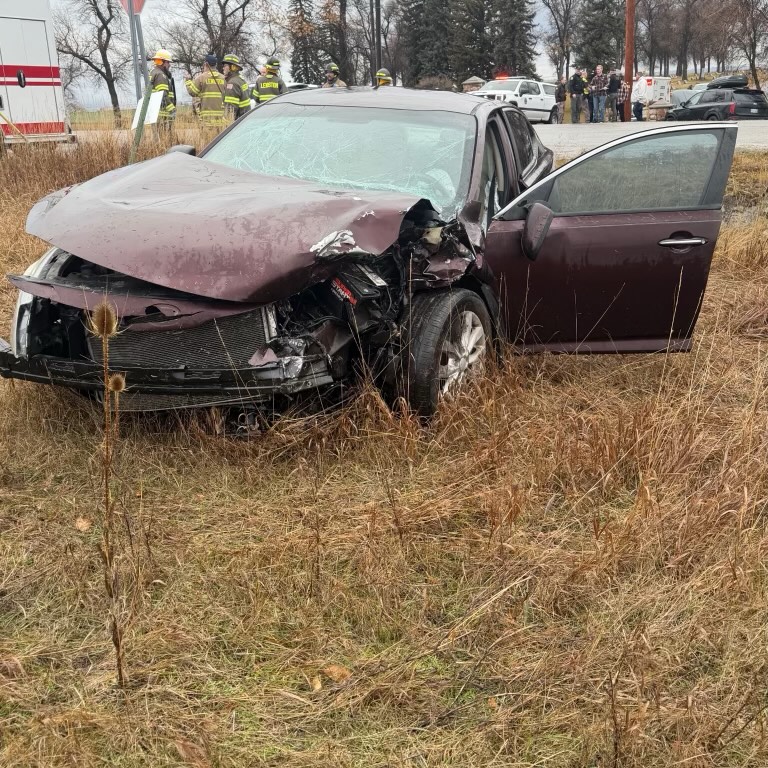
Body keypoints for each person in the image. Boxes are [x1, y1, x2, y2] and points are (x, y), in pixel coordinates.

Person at [185, 54, 226, 125]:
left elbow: (192, 92)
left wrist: (188, 81)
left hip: (207, 119)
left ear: (205, 64)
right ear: (215, 65)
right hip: (221, 119)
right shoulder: (223, 78)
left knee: (209, 136)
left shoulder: (201, 78)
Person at [149, 49, 176, 136]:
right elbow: (163, 94)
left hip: (157, 113)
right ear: (162, 62)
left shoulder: (154, 72)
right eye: (168, 62)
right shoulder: (160, 75)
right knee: (163, 137)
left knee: (159, 138)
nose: (169, 65)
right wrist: (172, 108)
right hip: (162, 113)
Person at [222, 54, 250, 121]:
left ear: (233, 67)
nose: (223, 68)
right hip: (244, 119)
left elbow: (230, 109)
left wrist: (227, 123)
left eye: (225, 66)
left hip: (237, 123)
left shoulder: (232, 83)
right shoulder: (240, 80)